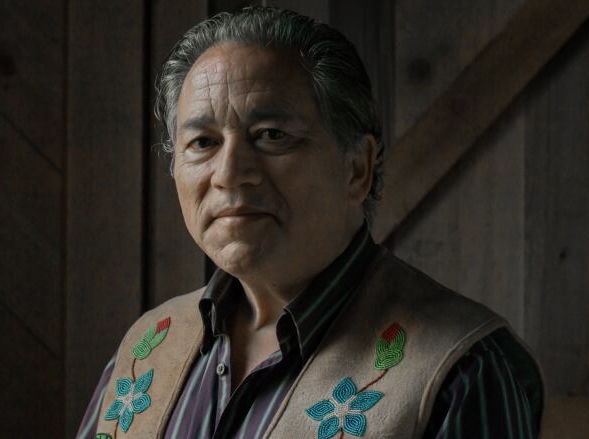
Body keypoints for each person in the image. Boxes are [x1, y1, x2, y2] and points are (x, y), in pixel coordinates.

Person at [77, 6, 543, 439]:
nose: (230, 172)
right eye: (202, 142)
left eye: (272, 135)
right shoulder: (147, 350)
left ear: (356, 168)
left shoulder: (461, 370)